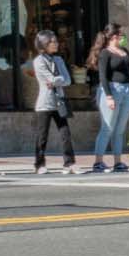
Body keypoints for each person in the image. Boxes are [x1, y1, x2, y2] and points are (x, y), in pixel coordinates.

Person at [87, 23, 129, 173]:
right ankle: (98, 162)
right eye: (122, 34)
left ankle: (118, 162)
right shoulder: (105, 53)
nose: (124, 37)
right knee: (107, 128)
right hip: (112, 90)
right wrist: (109, 96)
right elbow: (102, 76)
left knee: (120, 130)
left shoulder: (125, 52)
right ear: (114, 36)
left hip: (126, 91)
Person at [31, 30, 77, 174]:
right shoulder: (38, 61)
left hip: (60, 101)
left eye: (56, 41)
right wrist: (57, 80)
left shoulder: (59, 60)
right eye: (52, 41)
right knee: (42, 135)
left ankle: (69, 163)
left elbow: (68, 80)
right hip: (45, 103)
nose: (56, 44)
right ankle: (39, 164)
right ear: (44, 44)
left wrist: (56, 81)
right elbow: (49, 80)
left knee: (65, 133)